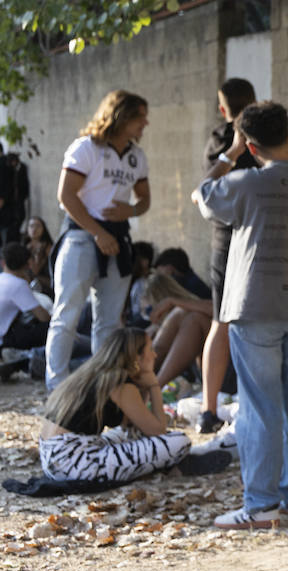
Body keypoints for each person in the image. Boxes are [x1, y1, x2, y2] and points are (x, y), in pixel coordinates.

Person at [194, 101, 288, 529]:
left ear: (250, 144)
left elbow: (202, 195)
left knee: (260, 406)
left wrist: (228, 156)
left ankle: (261, 505)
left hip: (254, 308)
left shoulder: (244, 182)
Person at [198, 78, 288, 434]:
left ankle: (210, 407)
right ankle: (213, 408)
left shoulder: (222, 141)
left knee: (223, 322)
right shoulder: (276, 138)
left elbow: (205, 191)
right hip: (270, 246)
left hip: (233, 243)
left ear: (223, 109)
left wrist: (231, 155)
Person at [44, 90, 151, 391]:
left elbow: (144, 200)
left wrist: (129, 210)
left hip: (118, 239)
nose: (146, 123)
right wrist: (97, 232)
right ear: (122, 115)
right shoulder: (85, 148)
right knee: (66, 315)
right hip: (81, 237)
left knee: (108, 322)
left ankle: (100, 390)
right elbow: (66, 197)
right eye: (140, 116)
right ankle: (57, 388)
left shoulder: (136, 156)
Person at [38, 327, 228, 482]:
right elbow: (158, 430)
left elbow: (133, 425)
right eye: (150, 350)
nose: (154, 355)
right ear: (136, 358)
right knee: (179, 441)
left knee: (129, 434)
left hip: (55, 458)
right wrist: (154, 385)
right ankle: (171, 466)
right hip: (75, 464)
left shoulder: (96, 375)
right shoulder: (119, 385)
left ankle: (165, 465)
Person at [141, 272, 213, 387]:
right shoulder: (182, 313)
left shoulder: (190, 312)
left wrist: (173, 301)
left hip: (214, 370)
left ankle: (151, 389)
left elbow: (217, 310)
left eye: (150, 309)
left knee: (191, 317)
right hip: (202, 372)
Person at [0, 242, 50, 379]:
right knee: (51, 328)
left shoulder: (3, 279)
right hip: (6, 339)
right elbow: (44, 317)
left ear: (3, 262)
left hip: (6, 334)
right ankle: (26, 358)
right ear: (27, 264)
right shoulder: (18, 284)